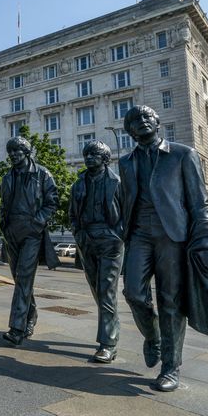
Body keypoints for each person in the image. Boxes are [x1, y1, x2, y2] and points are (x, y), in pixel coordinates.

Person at [119, 105, 208, 392]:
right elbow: (126, 200)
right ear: (129, 131)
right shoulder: (125, 162)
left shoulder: (183, 154)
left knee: (171, 301)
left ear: (158, 123)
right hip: (139, 234)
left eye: (147, 117)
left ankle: (170, 366)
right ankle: (153, 336)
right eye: (134, 120)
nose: (141, 121)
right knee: (133, 292)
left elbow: (199, 202)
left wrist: (204, 236)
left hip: (173, 236)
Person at [0, 136, 59, 346]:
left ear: (26, 152)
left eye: (17, 150)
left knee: (24, 277)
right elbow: (4, 205)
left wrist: (38, 222)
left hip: (32, 233)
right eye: (11, 151)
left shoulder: (42, 174)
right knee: (19, 278)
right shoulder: (7, 177)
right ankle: (30, 316)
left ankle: (17, 328)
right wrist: (3, 226)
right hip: (12, 233)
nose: (14, 154)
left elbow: (52, 201)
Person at [69, 140, 124, 363]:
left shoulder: (117, 182)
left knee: (106, 291)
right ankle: (110, 328)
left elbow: (126, 213)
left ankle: (108, 343)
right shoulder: (78, 184)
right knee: (97, 290)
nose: (89, 157)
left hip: (110, 241)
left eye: (94, 154)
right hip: (87, 240)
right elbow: (72, 214)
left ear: (105, 158)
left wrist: (117, 235)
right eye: (87, 154)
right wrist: (78, 234)